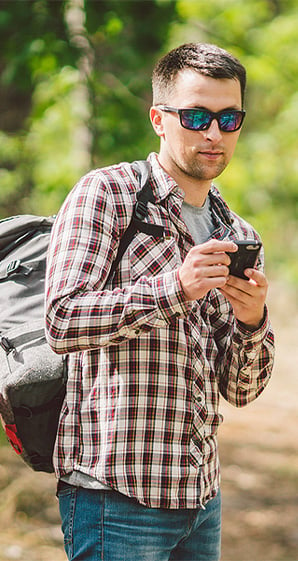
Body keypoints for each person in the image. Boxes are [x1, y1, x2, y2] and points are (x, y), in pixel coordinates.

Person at [45, 42, 275, 561]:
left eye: (228, 117)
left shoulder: (234, 230)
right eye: (195, 116)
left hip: (201, 499)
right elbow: (61, 321)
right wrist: (177, 287)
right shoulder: (106, 194)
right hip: (115, 496)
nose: (213, 133)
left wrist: (251, 320)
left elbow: (240, 390)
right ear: (159, 118)